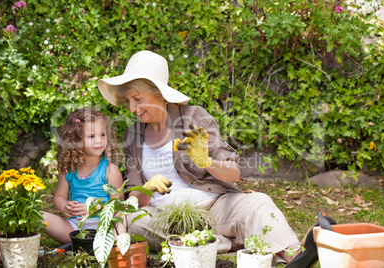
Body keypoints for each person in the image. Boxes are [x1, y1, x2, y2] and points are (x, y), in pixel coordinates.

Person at [97, 50, 301, 264]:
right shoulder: (132, 135)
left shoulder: (193, 117)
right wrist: (145, 189)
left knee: (258, 203)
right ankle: (226, 242)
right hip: (164, 218)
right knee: (135, 223)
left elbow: (234, 174)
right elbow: (135, 203)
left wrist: (206, 161)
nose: (131, 108)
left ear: (159, 93)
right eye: (128, 100)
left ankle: (295, 257)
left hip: (215, 208)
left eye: (137, 99)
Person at [42, 107, 124, 244]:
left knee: (123, 216)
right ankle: (83, 243)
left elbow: (118, 205)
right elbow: (59, 196)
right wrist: (64, 206)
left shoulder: (110, 169)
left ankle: (109, 247)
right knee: (39, 216)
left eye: (102, 135)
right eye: (91, 136)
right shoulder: (69, 169)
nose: (98, 141)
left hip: (105, 228)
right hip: (75, 229)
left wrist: (95, 209)